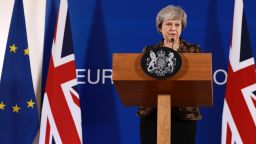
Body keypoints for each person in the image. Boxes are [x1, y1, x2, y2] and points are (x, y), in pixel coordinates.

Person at [137, 5, 202, 144]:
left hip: (184, 115)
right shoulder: (149, 51)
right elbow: (142, 82)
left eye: (177, 24)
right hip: (152, 113)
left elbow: (196, 82)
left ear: (181, 28)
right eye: (168, 24)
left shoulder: (193, 51)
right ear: (160, 28)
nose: (173, 28)